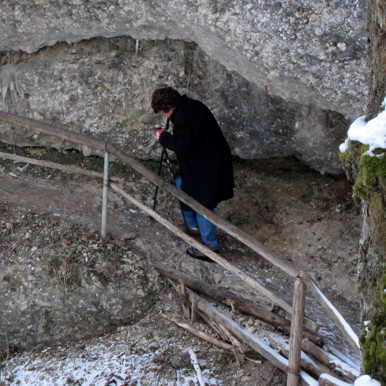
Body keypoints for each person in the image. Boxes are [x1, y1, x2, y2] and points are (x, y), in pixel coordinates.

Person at [151, 86, 234, 261]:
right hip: (200, 162)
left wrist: (163, 137)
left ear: (167, 107)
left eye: (161, 112)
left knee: (202, 203)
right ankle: (193, 227)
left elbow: (183, 145)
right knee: (181, 183)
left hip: (208, 165)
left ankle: (210, 247)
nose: (163, 116)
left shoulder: (185, 115)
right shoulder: (189, 107)